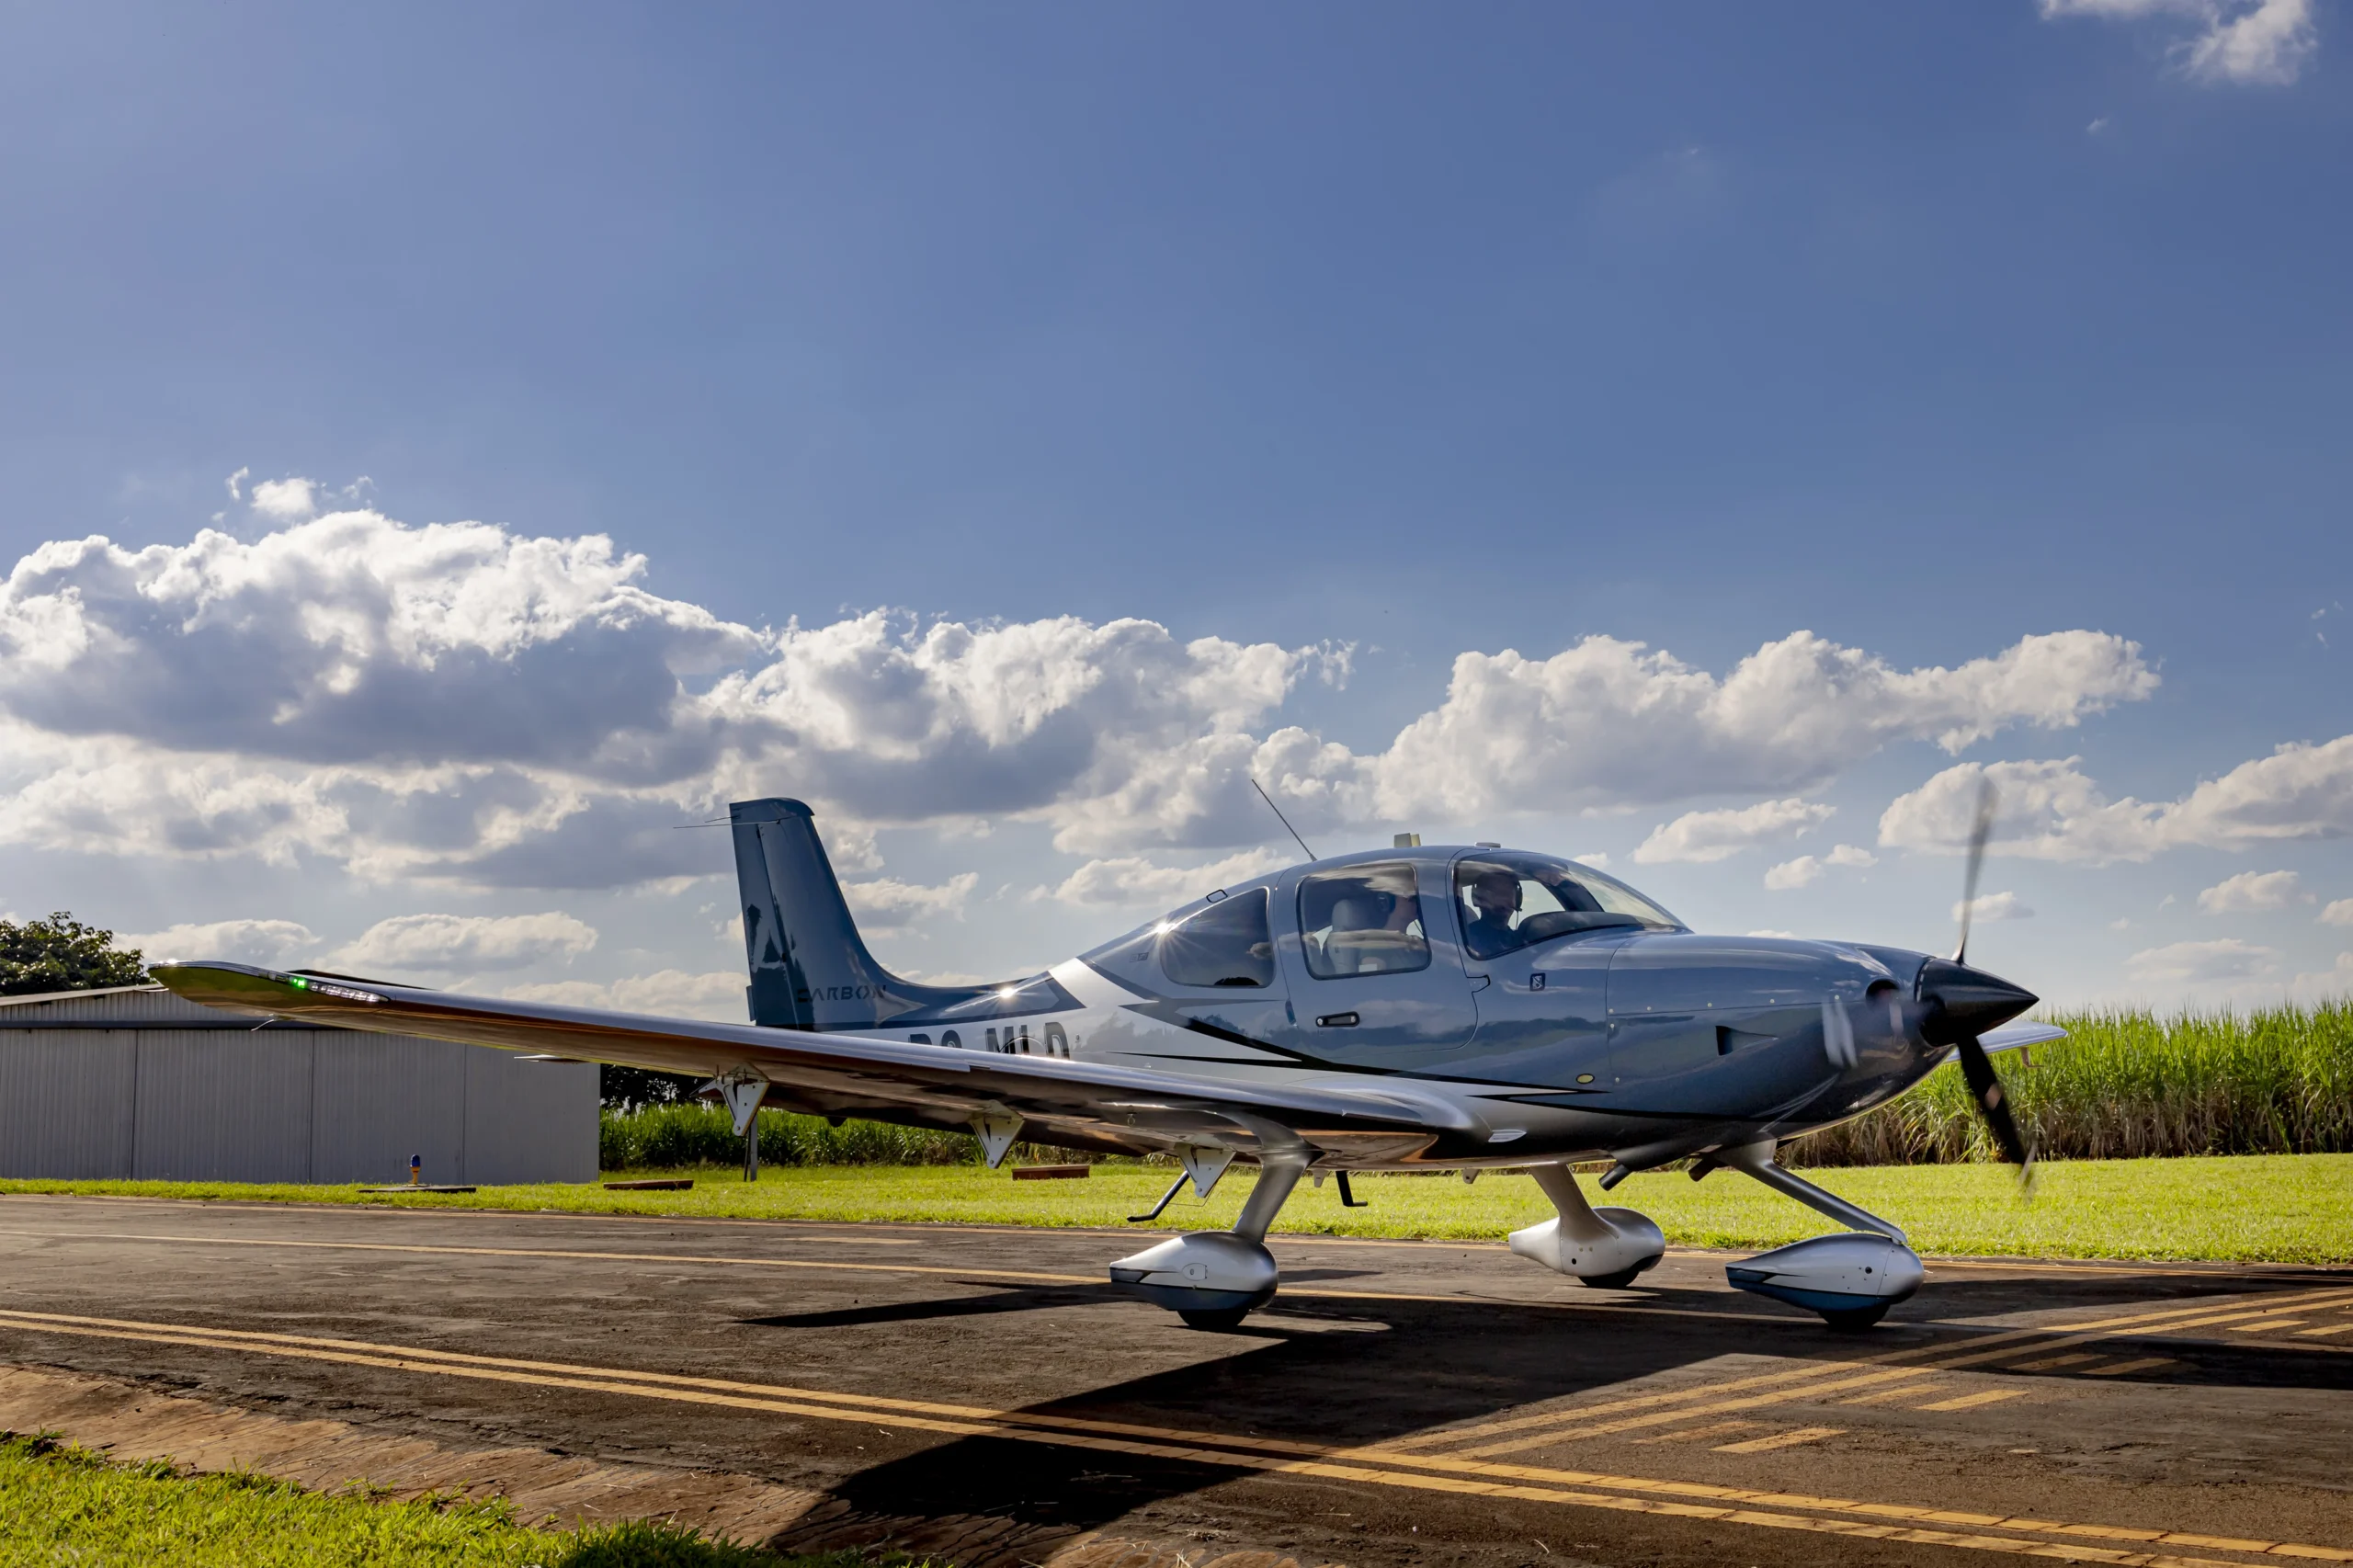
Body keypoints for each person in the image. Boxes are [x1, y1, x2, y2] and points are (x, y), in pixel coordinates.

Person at [1461, 866, 1525, 960]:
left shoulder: (1519, 939)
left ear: (1517, 900)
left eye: (1508, 894)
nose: (1503, 900)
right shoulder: (1467, 939)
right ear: (1479, 899)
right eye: (1496, 894)